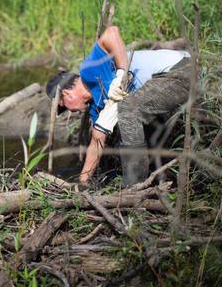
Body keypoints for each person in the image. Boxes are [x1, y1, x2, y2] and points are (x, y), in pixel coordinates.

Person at [46, 26, 191, 186]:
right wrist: (82, 183)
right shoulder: (97, 105)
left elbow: (111, 32)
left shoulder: (89, 70)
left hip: (181, 70)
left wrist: (122, 72)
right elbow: (97, 141)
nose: (71, 111)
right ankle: (159, 177)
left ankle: (133, 186)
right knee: (134, 122)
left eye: (65, 107)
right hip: (167, 83)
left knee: (128, 110)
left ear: (67, 94)